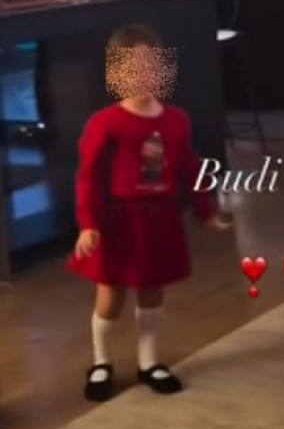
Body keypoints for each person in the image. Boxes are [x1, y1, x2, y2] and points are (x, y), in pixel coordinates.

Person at [67, 23, 231, 401]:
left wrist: (205, 210)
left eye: (149, 67)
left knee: (152, 291)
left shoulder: (175, 120)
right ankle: (102, 362)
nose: (142, 76)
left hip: (160, 220)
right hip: (118, 222)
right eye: (131, 69)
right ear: (116, 74)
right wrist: (88, 224)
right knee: (110, 295)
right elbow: (88, 176)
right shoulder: (105, 123)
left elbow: (189, 167)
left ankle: (149, 361)